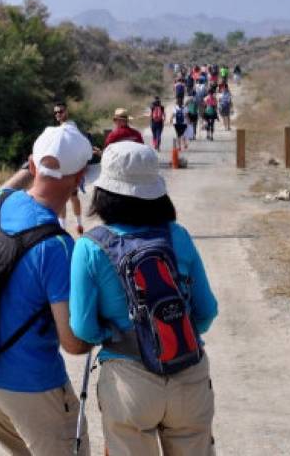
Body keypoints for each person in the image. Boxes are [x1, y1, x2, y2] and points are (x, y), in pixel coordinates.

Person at [69, 141, 219, 456]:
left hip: (128, 382)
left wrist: (110, 334)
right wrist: (170, 335)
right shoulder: (177, 235)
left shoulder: (90, 247)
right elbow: (206, 311)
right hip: (187, 374)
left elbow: (82, 330)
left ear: (104, 191)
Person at [0, 125, 94, 456]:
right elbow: (74, 344)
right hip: (31, 388)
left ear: (32, 166)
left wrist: (32, 165)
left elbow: (8, 187)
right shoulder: (58, 247)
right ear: (80, 178)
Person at [53, 101, 85, 234]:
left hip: (70, 167)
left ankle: (78, 224)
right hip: (61, 167)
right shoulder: (59, 129)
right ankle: (65, 227)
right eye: (55, 112)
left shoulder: (71, 126)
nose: (58, 114)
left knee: (72, 196)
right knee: (63, 198)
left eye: (60, 111)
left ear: (66, 112)